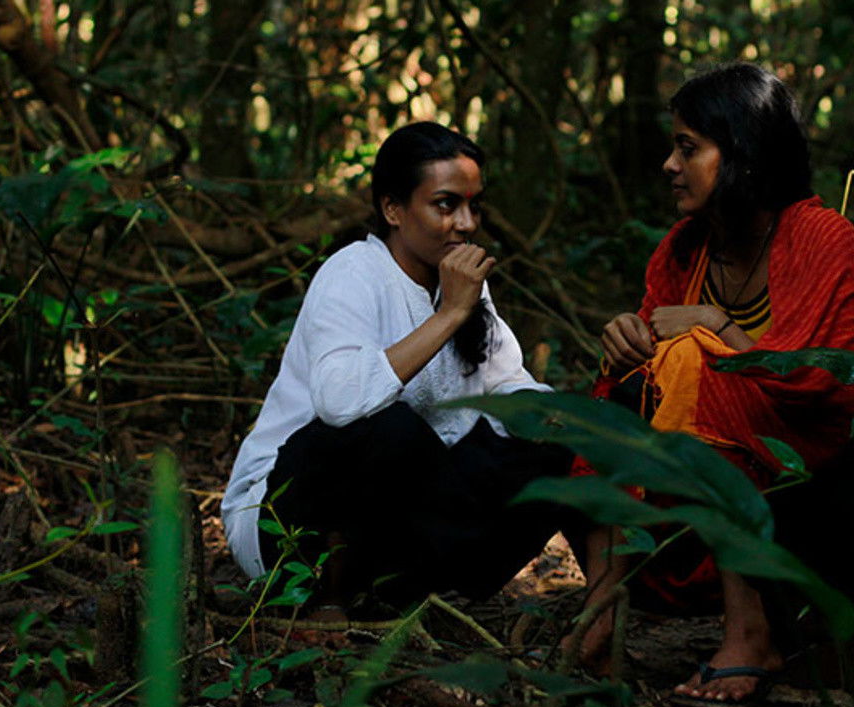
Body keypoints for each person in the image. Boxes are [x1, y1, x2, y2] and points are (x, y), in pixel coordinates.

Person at [586, 63, 854, 707]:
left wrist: (715, 328)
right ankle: (599, 612)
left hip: (806, 456)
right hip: (698, 456)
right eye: (674, 146)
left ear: (745, 152)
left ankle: (749, 635)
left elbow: (825, 377)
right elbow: (655, 363)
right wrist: (625, 342)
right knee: (598, 409)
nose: (669, 164)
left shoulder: (824, 237)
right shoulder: (683, 248)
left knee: (700, 364)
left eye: (688, 147)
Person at [221, 122, 583, 619]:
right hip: (287, 526)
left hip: (404, 512)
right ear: (393, 209)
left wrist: (560, 420)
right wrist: (450, 314)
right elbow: (339, 404)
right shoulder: (353, 273)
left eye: (474, 206)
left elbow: (505, 385)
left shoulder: (459, 283)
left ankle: (419, 587)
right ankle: (330, 598)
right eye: (445, 204)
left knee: (563, 439)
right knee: (389, 428)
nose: (466, 222)